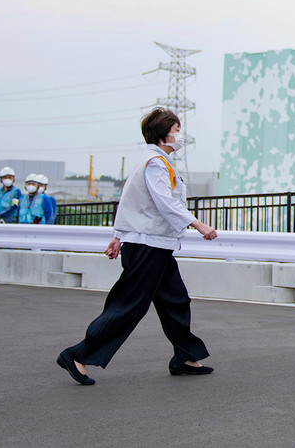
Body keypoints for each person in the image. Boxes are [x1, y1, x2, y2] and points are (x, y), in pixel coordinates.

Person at [57, 108, 219, 386]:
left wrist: (118, 235)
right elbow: (164, 202)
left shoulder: (156, 161)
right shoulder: (156, 162)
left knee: (175, 300)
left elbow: (131, 199)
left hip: (154, 244)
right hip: (147, 246)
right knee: (129, 304)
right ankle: (78, 355)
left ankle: (186, 356)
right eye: (177, 129)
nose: (180, 135)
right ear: (163, 133)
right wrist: (198, 224)